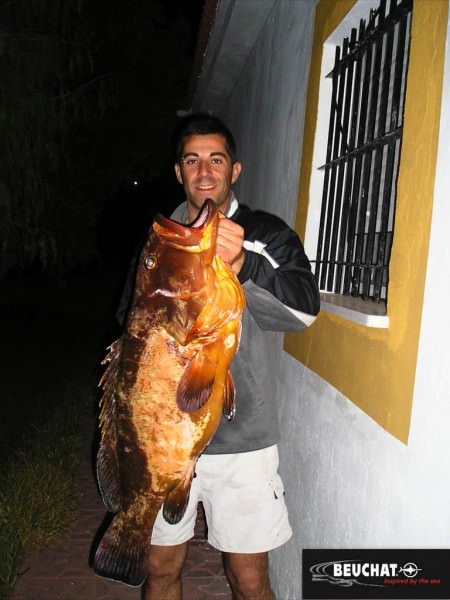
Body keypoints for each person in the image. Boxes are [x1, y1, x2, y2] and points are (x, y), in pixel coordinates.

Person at [119, 113, 320, 600]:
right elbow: (130, 327)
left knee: (248, 578)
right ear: (178, 172)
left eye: (216, 159)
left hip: (243, 439)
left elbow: (303, 312)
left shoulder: (265, 234)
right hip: (162, 439)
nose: (204, 171)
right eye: (192, 160)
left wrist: (245, 264)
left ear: (235, 169)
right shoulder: (160, 241)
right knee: (161, 567)